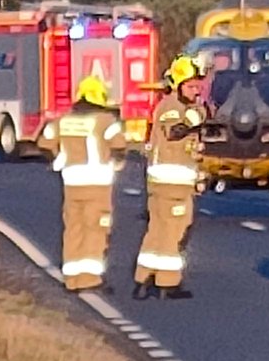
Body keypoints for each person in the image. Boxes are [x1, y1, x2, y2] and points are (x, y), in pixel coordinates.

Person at [38, 75, 126, 293]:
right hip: (97, 183)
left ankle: (72, 278)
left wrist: (57, 160)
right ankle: (90, 278)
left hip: (71, 182)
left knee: (74, 227)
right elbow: (119, 146)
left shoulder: (64, 121)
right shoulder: (105, 121)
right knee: (95, 228)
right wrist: (116, 163)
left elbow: (44, 143)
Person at [133, 54, 208, 300]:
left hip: (166, 181)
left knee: (157, 230)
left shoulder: (175, 105)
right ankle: (167, 282)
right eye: (191, 86)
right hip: (172, 182)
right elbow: (174, 131)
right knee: (174, 231)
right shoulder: (172, 107)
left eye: (198, 86)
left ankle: (144, 278)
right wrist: (196, 117)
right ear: (178, 84)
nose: (196, 91)